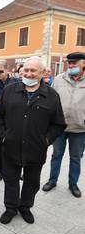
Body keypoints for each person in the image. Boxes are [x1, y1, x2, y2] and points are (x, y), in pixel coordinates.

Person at [0, 56, 66, 225]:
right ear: (21, 71)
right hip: (10, 148)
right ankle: (10, 208)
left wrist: (46, 140)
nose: (29, 74)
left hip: (36, 151)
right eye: (26, 70)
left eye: (33, 71)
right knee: (10, 181)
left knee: (32, 183)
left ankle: (25, 207)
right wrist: (3, 135)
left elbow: (59, 124)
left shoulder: (51, 96)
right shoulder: (9, 90)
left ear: (42, 73)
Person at [42, 52, 85, 198]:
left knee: (75, 157)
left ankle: (73, 184)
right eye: (69, 63)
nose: (71, 66)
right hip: (59, 127)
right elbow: (51, 101)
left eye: (75, 63)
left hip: (80, 128)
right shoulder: (60, 79)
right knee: (56, 155)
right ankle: (52, 180)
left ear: (83, 63)